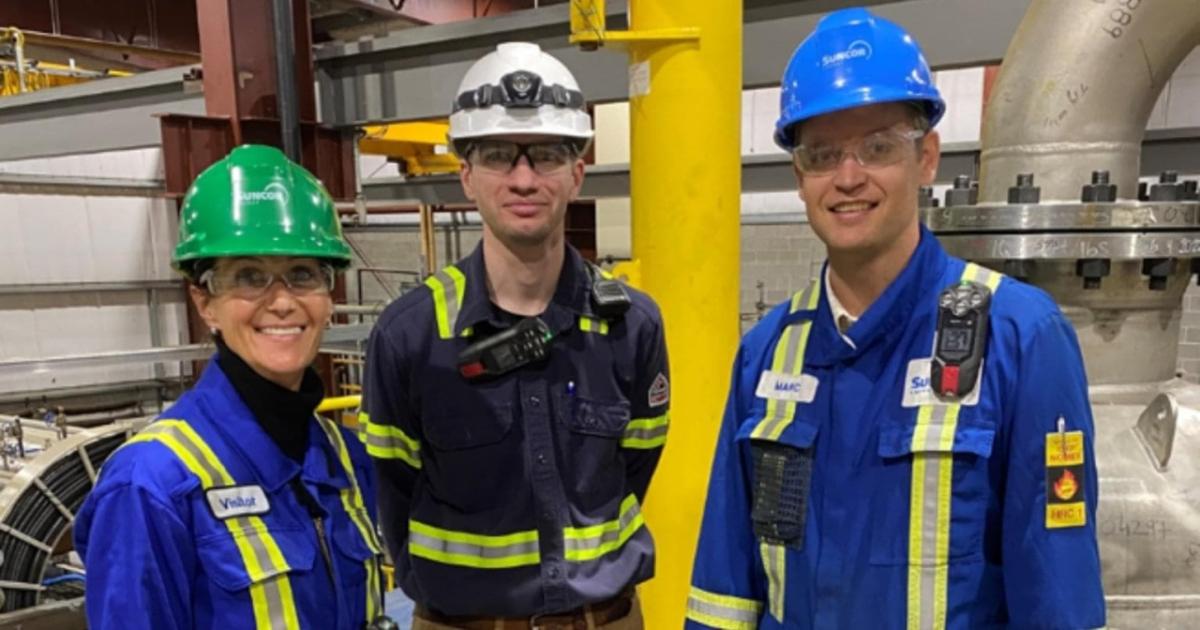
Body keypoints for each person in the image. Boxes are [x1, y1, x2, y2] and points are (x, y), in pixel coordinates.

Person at [686, 8, 1105, 629]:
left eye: (878, 147)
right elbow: (726, 587)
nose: (849, 177)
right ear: (800, 175)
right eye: (823, 154)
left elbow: (1057, 597)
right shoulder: (767, 352)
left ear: (927, 157)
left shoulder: (1019, 337)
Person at [361, 42, 669, 629]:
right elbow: (394, 492)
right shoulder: (411, 338)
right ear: (467, 175)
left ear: (577, 173)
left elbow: (636, 466)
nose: (524, 179)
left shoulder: (633, 326)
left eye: (548, 155)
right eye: (500, 155)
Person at [75, 144, 389, 630]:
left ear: (329, 298)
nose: (282, 302)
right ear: (205, 303)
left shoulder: (343, 459)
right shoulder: (152, 485)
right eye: (249, 276)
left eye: (303, 274)